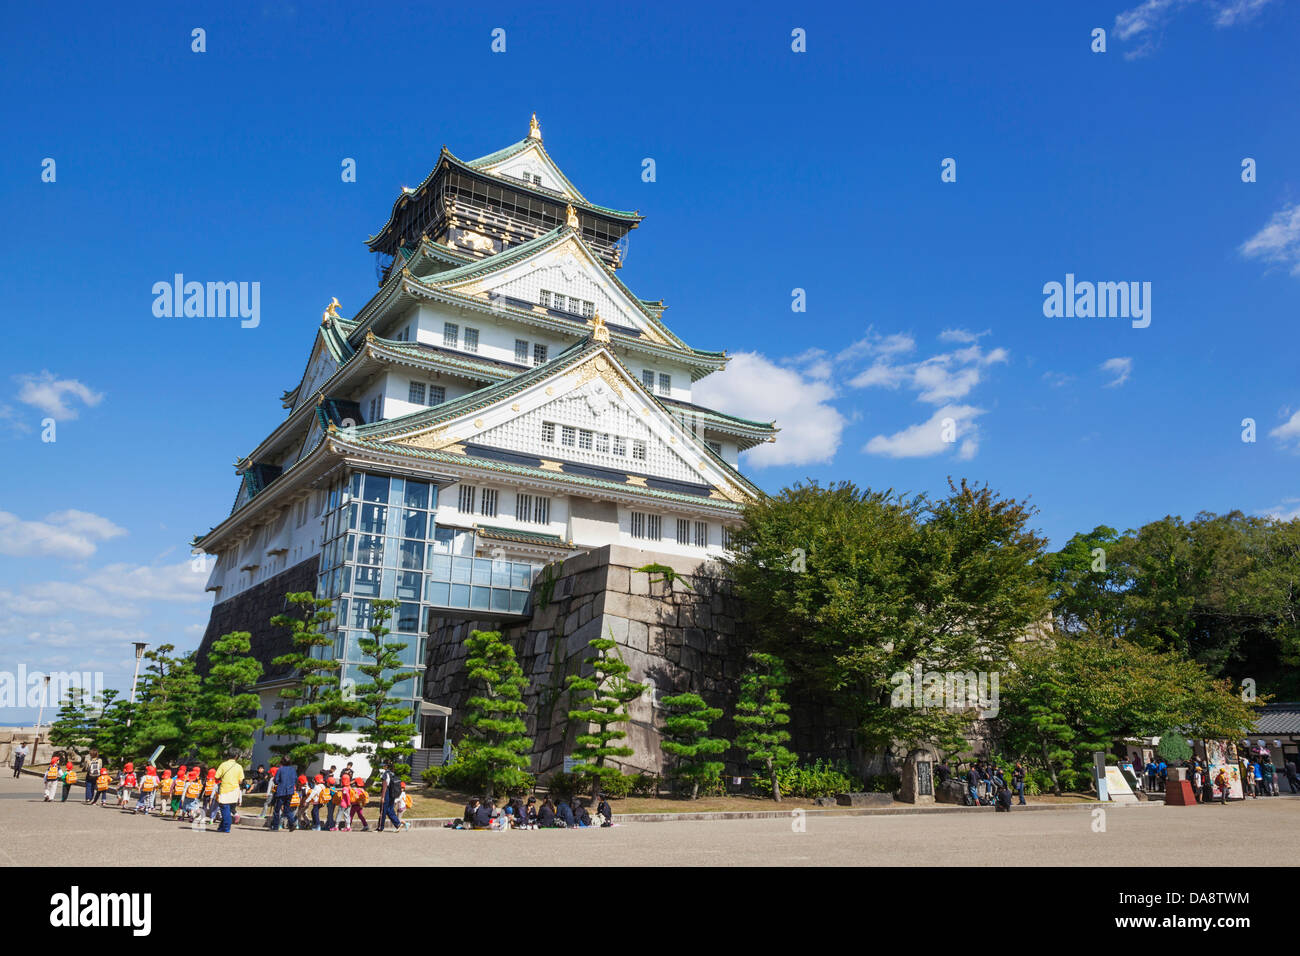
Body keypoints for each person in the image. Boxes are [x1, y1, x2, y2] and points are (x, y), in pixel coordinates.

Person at [213, 752, 244, 834]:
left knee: (224, 808)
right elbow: (241, 781)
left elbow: (216, 776)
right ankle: (221, 827)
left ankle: (227, 826)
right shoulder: (239, 767)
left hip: (225, 789)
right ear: (236, 756)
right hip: (235, 790)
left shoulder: (223, 765)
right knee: (228, 809)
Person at [270, 760, 298, 831]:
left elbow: (276, 780)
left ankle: (275, 826)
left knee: (277, 809)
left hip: (281, 791)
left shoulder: (280, 769)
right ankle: (292, 822)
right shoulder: (293, 770)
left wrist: (278, 782)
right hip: (290, 791)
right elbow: (295, 779)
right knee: (287, 809)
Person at [377, 762, 403, 833]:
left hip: (387, 793)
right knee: (389, 809)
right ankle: (398, 824)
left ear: (386, 766)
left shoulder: (385, 774)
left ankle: (380, 827)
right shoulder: (392, 773)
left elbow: (385, 786)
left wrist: (382, 797)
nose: (382, 767)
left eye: (383, 766)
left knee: (383, 810)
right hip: (392, 794)